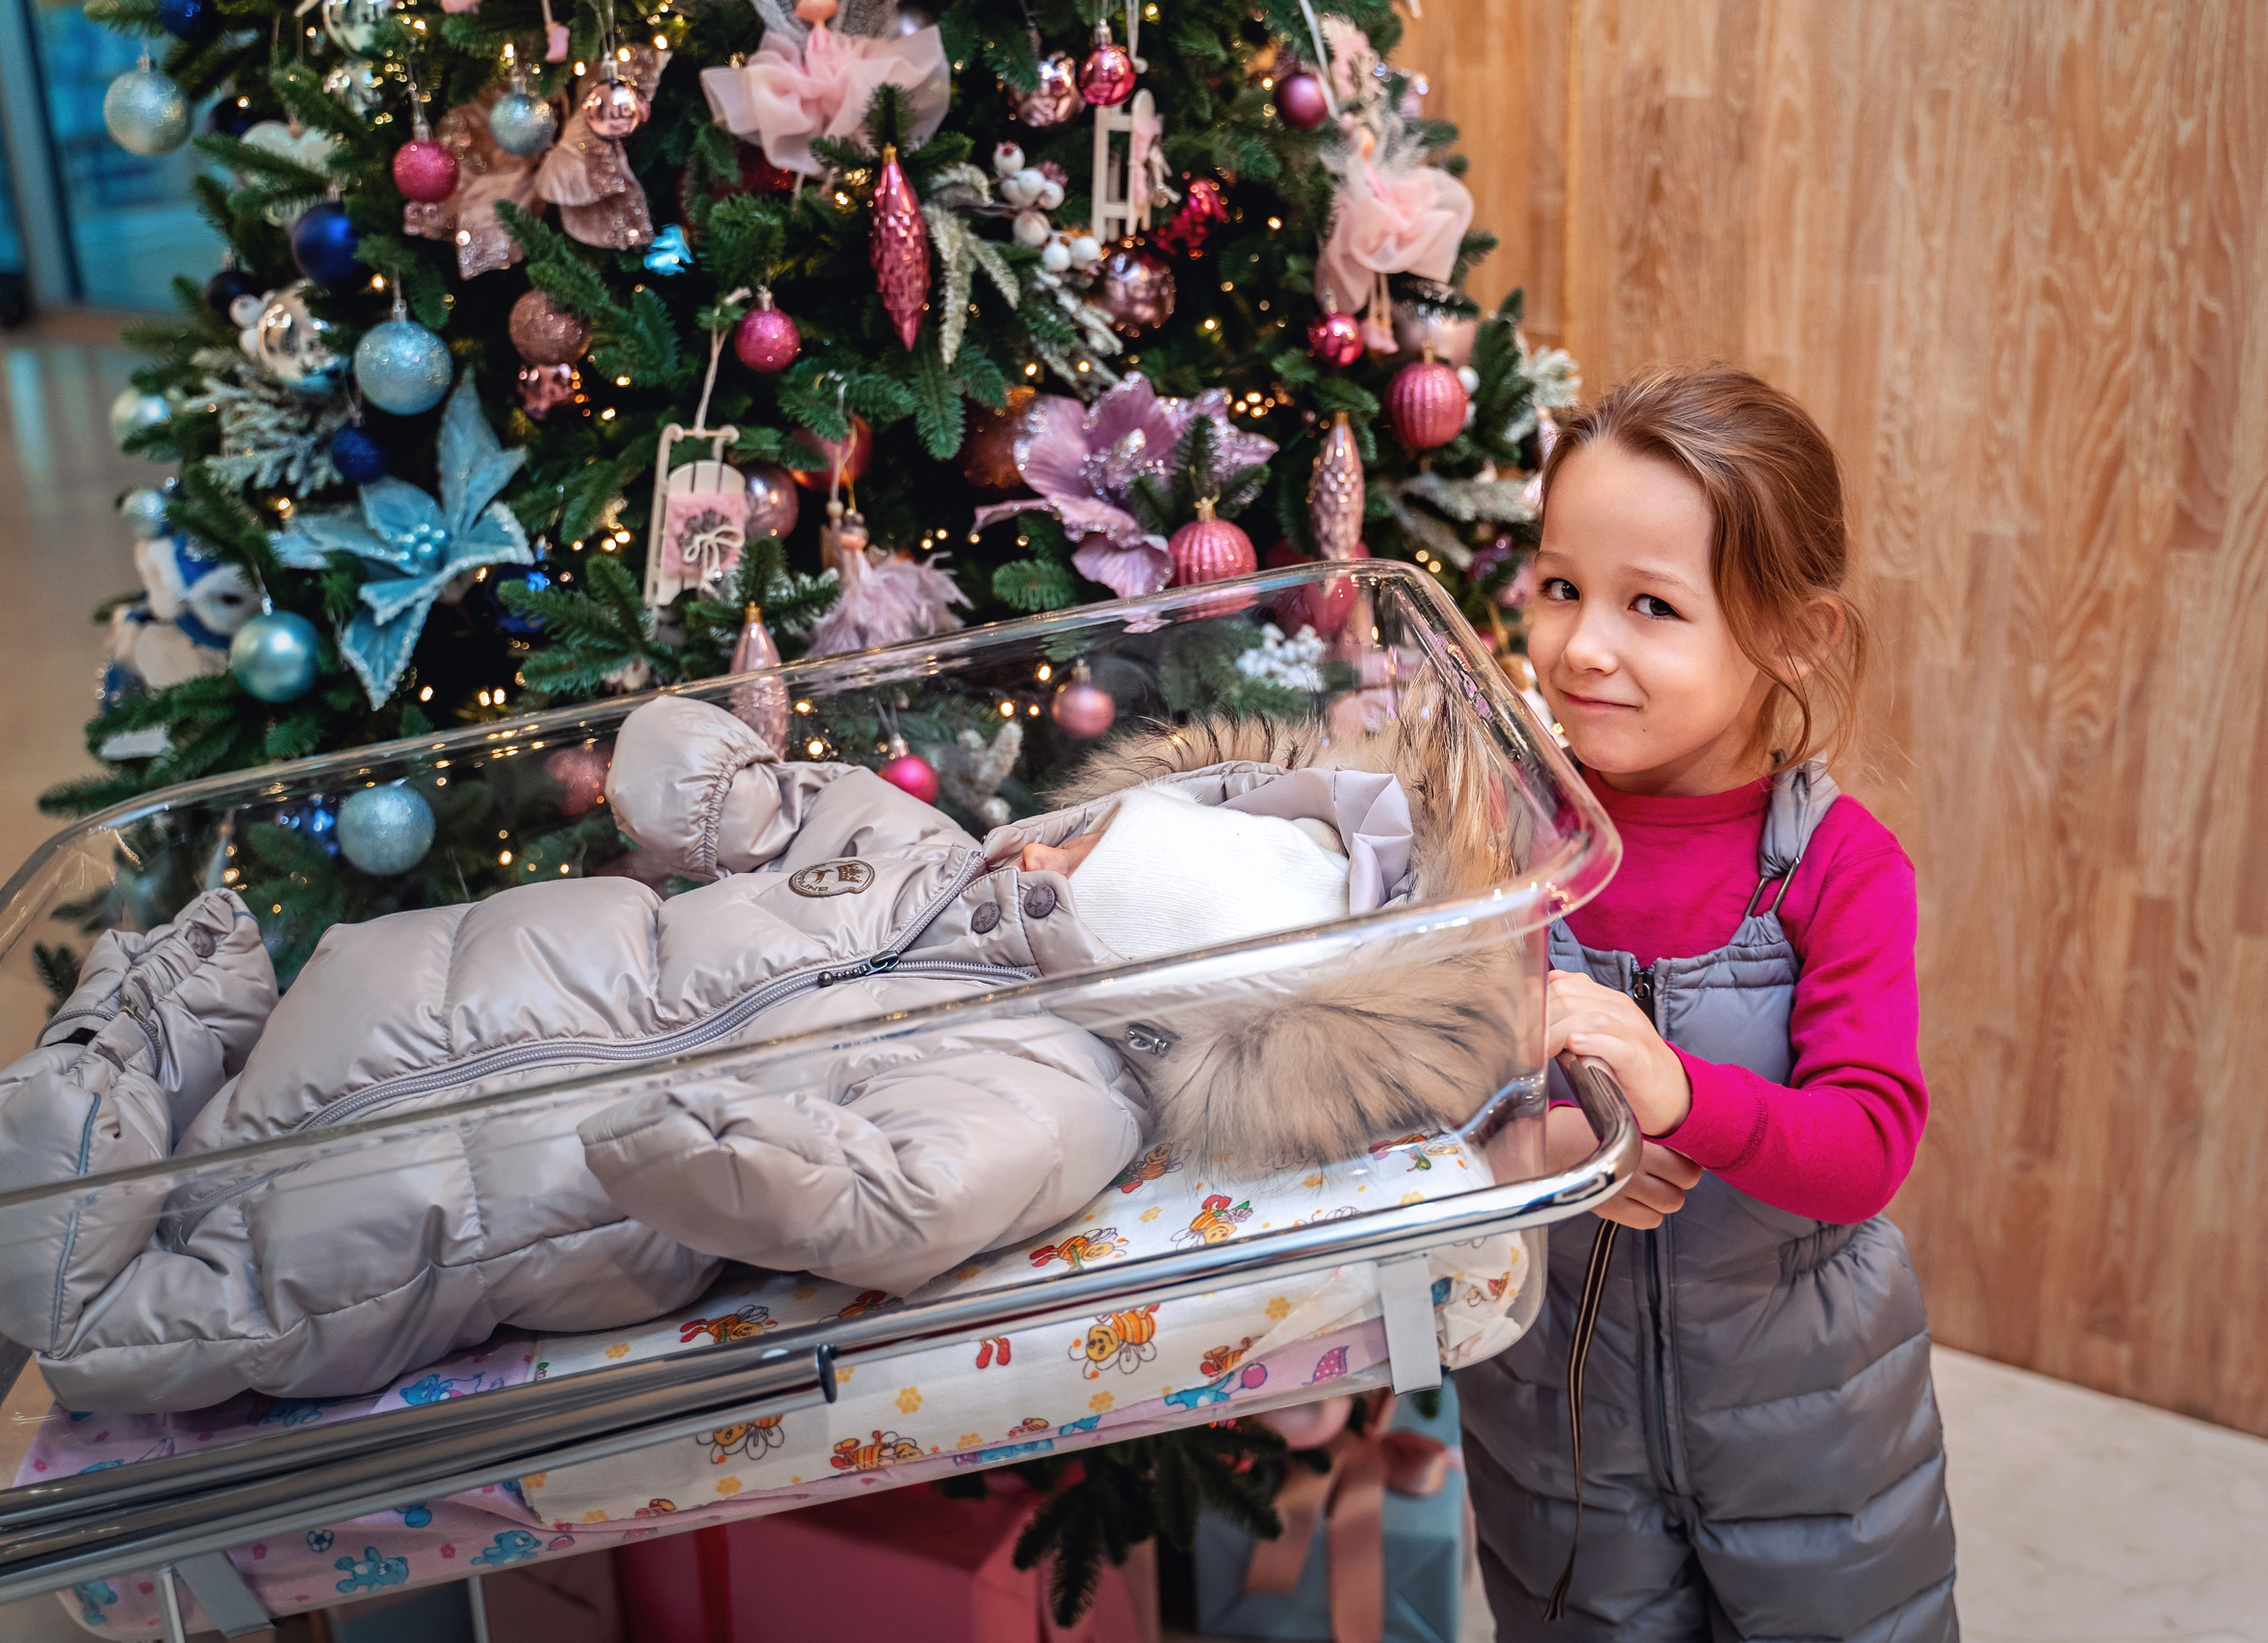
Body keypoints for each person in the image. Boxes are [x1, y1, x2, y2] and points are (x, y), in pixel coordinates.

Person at [0, 698, 1521, 1413]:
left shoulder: (1062, 1087)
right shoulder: (919, 846)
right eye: (1092, 811)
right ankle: (166, 1058)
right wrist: (713, 776)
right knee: (300, 1044)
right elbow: (750, 800)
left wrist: (749, 1169)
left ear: (1134, 968)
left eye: (1082, 860)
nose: (1044, 832)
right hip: (471, 982)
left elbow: (912, 1198)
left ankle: (89, 1176)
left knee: (164, 1322)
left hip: (520, 1177)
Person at [1457, 364, 1957, 1640]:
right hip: (1554, 1440)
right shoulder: (1502, 842)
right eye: (1561, 587)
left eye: (1653, 606)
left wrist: (1680, 1100)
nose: (1581, 645)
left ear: (1794, 635)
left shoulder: (1841, 872)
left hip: (1813, 1447)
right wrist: (1554, 1155)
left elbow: (1865, 1149)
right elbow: (1416, 1100)